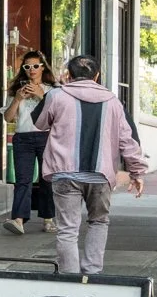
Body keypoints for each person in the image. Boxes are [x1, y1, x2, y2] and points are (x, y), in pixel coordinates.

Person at [36, 54, 147, 275]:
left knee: (67, 230)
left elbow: (40, 123)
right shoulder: (113, 101)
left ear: (68, 75)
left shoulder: (56, 95)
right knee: (99, 222)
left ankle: (70, 279)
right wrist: (137, 172)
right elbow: (127, 139)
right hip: (101, 175)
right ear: (96, 76)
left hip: (65, 173)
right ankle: (92, 275)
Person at [2, 50, 57, 236]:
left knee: (47, 178)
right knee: (22, 179)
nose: (31, 70)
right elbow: (8, 118)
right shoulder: (16, 89)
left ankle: (48, 218)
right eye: (27, 66)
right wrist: (17, 99)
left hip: (45, 136)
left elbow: (58, 114)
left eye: (35, 66)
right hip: (23, 137)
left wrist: (42, 95)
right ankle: (18, 219)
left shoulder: (52, 89)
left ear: (43, 67)